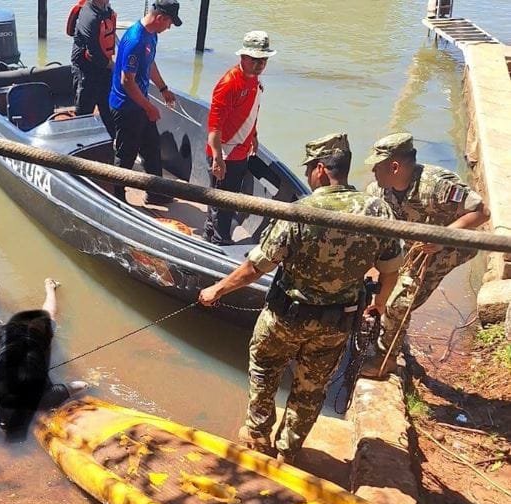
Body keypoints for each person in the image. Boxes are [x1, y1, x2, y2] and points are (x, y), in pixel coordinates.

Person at [198, 133, 403, 462]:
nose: (307, 175)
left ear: (320, 169)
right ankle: (288, 452)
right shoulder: (378, 211)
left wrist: (216, 290)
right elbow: (391, 269)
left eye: (309, 169)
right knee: (312, 387)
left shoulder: (301, 211)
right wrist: (378, 305)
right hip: (337, 323)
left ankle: (257, 439)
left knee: (264, 368)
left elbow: (256, 267)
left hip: (286, 318)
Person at [359, 133, 490, 377]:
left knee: (401, 303)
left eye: (377, 166)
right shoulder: (378, 191)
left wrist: (442, 237)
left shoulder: (436, 185)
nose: (373, 172)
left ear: (394, 167)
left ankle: (385, 360)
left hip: (449, 247)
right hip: (416, 245)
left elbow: (481, 212)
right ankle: (390, 324)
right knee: (385, 289)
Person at [0, 279, 87, 440]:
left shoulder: (44, 400)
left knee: (48, 315)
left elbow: (81, 385)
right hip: (9, 337)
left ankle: (49, 288)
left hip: (34, 337)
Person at [203, 31, 276, 244]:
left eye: (263, 60)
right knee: (223, 202)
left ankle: (211, 233)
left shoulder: (254, 81)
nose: (260, 64)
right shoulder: (229, 84)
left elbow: (251, 112)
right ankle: (220, 241)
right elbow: (214, 128)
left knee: (227, 199)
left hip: (241, 151)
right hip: (226, 153)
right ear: (243, 57)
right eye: (255, 60)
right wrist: (218, 158)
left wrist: (254, 136)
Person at [108, 0, 181, 205]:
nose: (169, 28)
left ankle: (156, 192)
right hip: (126, 107)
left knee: (151, 147)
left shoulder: (152, 35)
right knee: (127, 153)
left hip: (140, 103)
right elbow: (127, 81)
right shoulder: (136, 40)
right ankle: (117, 196)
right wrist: (149, 108)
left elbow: (150, 64)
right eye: (169, 23)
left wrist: (163, 88)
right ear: (160, 18)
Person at [71, 0, 118, 137]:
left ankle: (114, 139)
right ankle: (80, 140)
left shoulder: (106, 10)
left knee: (107, 107)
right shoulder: (89, 16)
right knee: (84, 110)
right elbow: (94, 52)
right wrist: (114, 66)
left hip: (104, 67)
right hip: (86, 69)